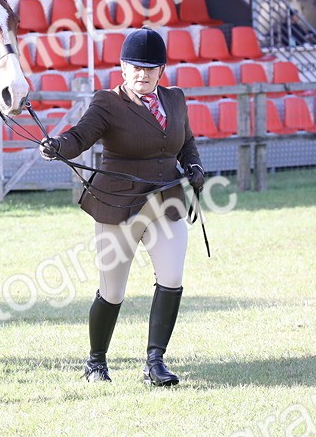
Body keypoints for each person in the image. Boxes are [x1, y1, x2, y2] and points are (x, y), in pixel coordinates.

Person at [39, 27, 205, 387]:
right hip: (119, 203)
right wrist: (58, 146)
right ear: (122, 68)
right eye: (135, 67)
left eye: (150, 68)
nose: (142, 74)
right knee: (113, 290)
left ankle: (155, 362)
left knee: (172, 278)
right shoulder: (107, 102)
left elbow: (186, 140)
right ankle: (96, 362)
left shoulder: (175, 99)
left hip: (166, 200)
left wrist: (194, 166)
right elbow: (80, 136)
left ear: (162, 70)